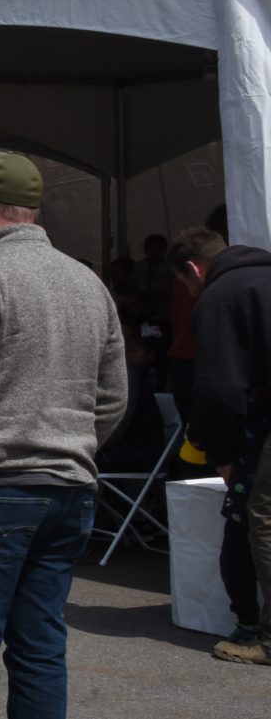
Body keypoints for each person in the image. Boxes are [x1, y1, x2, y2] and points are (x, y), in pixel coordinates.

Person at [0, 152, 128, 719]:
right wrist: (69, 445)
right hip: (69, 488)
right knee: (40, 647)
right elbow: (113, 397)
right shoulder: (87, 281)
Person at [175, 225, 271, 666]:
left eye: (186, 283)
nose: (190, 292)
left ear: (194, 269)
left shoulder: (220, 297)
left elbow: (218, 388)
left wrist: (223, 454)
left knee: (260, 516)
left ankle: (265, 638)